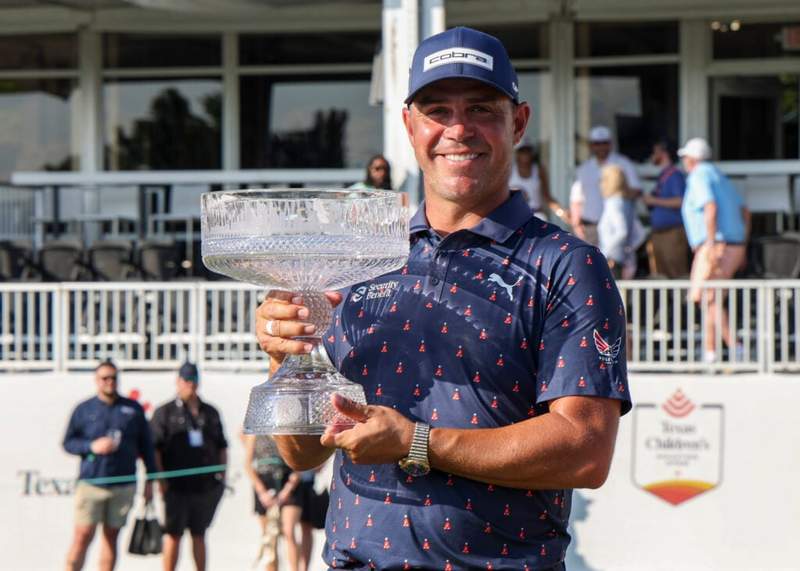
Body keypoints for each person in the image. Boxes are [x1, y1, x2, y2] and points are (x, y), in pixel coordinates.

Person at [255, 26, 631, 570]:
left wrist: (415, 442)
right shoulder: (361, 260)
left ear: (518, 122)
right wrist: (285, 360)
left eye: (481, 108)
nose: (458, 129)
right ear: (410, 126)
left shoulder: (567, 264)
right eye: (437, 110)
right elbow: (303, 452)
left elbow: (585, 451)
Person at [63, 360, 156, 571]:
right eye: (105, 378)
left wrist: (151, 480)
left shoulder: (132, 409)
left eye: (113, 377)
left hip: (123, 485)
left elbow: (147, 447)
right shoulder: (84, 409)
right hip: (91, 484)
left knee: (111, 538)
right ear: (96, 381)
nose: (110, 382)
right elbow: (68, 443)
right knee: (82, 535)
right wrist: (91, 446)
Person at [150, 362, 228, 571]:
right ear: (178, 382)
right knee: (173, 535)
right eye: (186, 381)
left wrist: (222, 475)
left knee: (199, 534)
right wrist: (161, 480)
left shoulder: (210, 412)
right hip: (176, 487)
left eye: (193, 381)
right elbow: (155, 448)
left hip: (204, 487)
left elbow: (222, 445)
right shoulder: (164, 412)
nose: (190, 386)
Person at [679, 137, 750, 363]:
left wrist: (710, 244)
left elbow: (710, 207)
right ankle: (710, 352)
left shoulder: (699, 175)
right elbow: (745, 212)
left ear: (691, 159)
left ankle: (736, 348)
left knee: (703, 295)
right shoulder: (719, 175)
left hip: (716, 244)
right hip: (733, 244)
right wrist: (743, 246)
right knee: (712, 298)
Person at [243, 434, 308, 571]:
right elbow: (248, 465)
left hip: (289, 483)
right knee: (269, 537)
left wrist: (288, 489)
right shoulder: (255, 433)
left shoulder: (288, 432)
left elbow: (300, 463)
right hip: (265, 484)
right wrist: (262, 492)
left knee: (289, 531)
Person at [569, 125, 642, 246]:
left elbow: (637, 191)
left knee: (614, 263)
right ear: (591, 146)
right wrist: (576, 223)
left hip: (615, 227)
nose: (601, 147)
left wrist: (618, 192)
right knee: (588, 263)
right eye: (597, 143)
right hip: (590, 227)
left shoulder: (623, 164)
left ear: (611, 144)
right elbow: (576, 199)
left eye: (605, 143)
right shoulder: (584, 169)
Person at [642, 139, 689, 278]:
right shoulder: (663, 175)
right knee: (661, 276)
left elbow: (680, 201)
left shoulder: (674, 175)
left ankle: (682, 301)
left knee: (676, 274)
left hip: (672, 233)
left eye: (655, 151)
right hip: (660, 233)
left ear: (663, 153)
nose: (652, 155)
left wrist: (653, 200)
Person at [597, 164, 645, 279]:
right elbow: (639, 233)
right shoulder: (626, 202)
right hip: (623, 259)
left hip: (613, 260)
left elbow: (622, 231)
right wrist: (629, 250)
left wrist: (606, 253)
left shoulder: (614, 202)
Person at [509, 141, 570, 224]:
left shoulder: (539, 170)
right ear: (517, 153)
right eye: (522, 150)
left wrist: (561, 213)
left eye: (528, 150)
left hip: (536, 215)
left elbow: (547, 197)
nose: (525, 153)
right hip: (514, 215)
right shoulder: (509, 170)